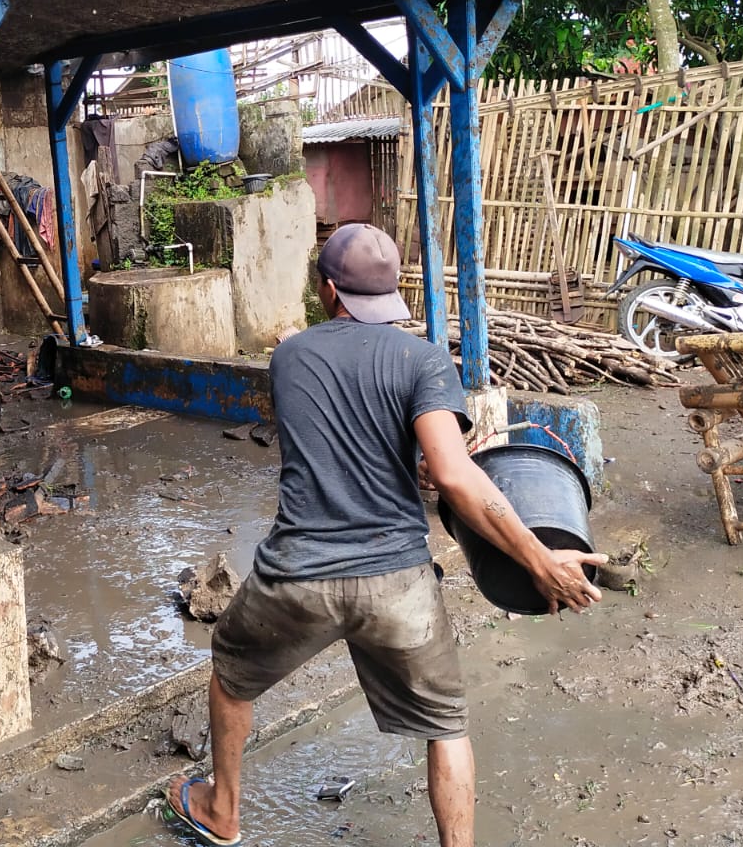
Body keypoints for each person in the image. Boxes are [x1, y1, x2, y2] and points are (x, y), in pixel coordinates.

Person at [166, 222, 605, 847]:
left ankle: (223, 810)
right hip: (397, 582)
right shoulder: (424, 359)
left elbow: (344, 442)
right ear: (392, 292)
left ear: (327, 289)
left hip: (297, 576)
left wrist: (422, 468)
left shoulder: (290, 356)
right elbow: (451, 476)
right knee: (447, 727)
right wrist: (539, 559)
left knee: (232, 672)